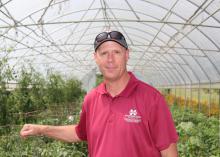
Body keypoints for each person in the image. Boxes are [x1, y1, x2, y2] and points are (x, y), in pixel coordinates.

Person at [20, 31, 179, 157]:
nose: (110, 59)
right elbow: (79, 133)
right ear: (95, 58)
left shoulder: (151, 98)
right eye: (103, 53)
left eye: (116, 52)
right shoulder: (92, 98)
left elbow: (169, 152)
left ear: (127, 55)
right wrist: (41, 129)